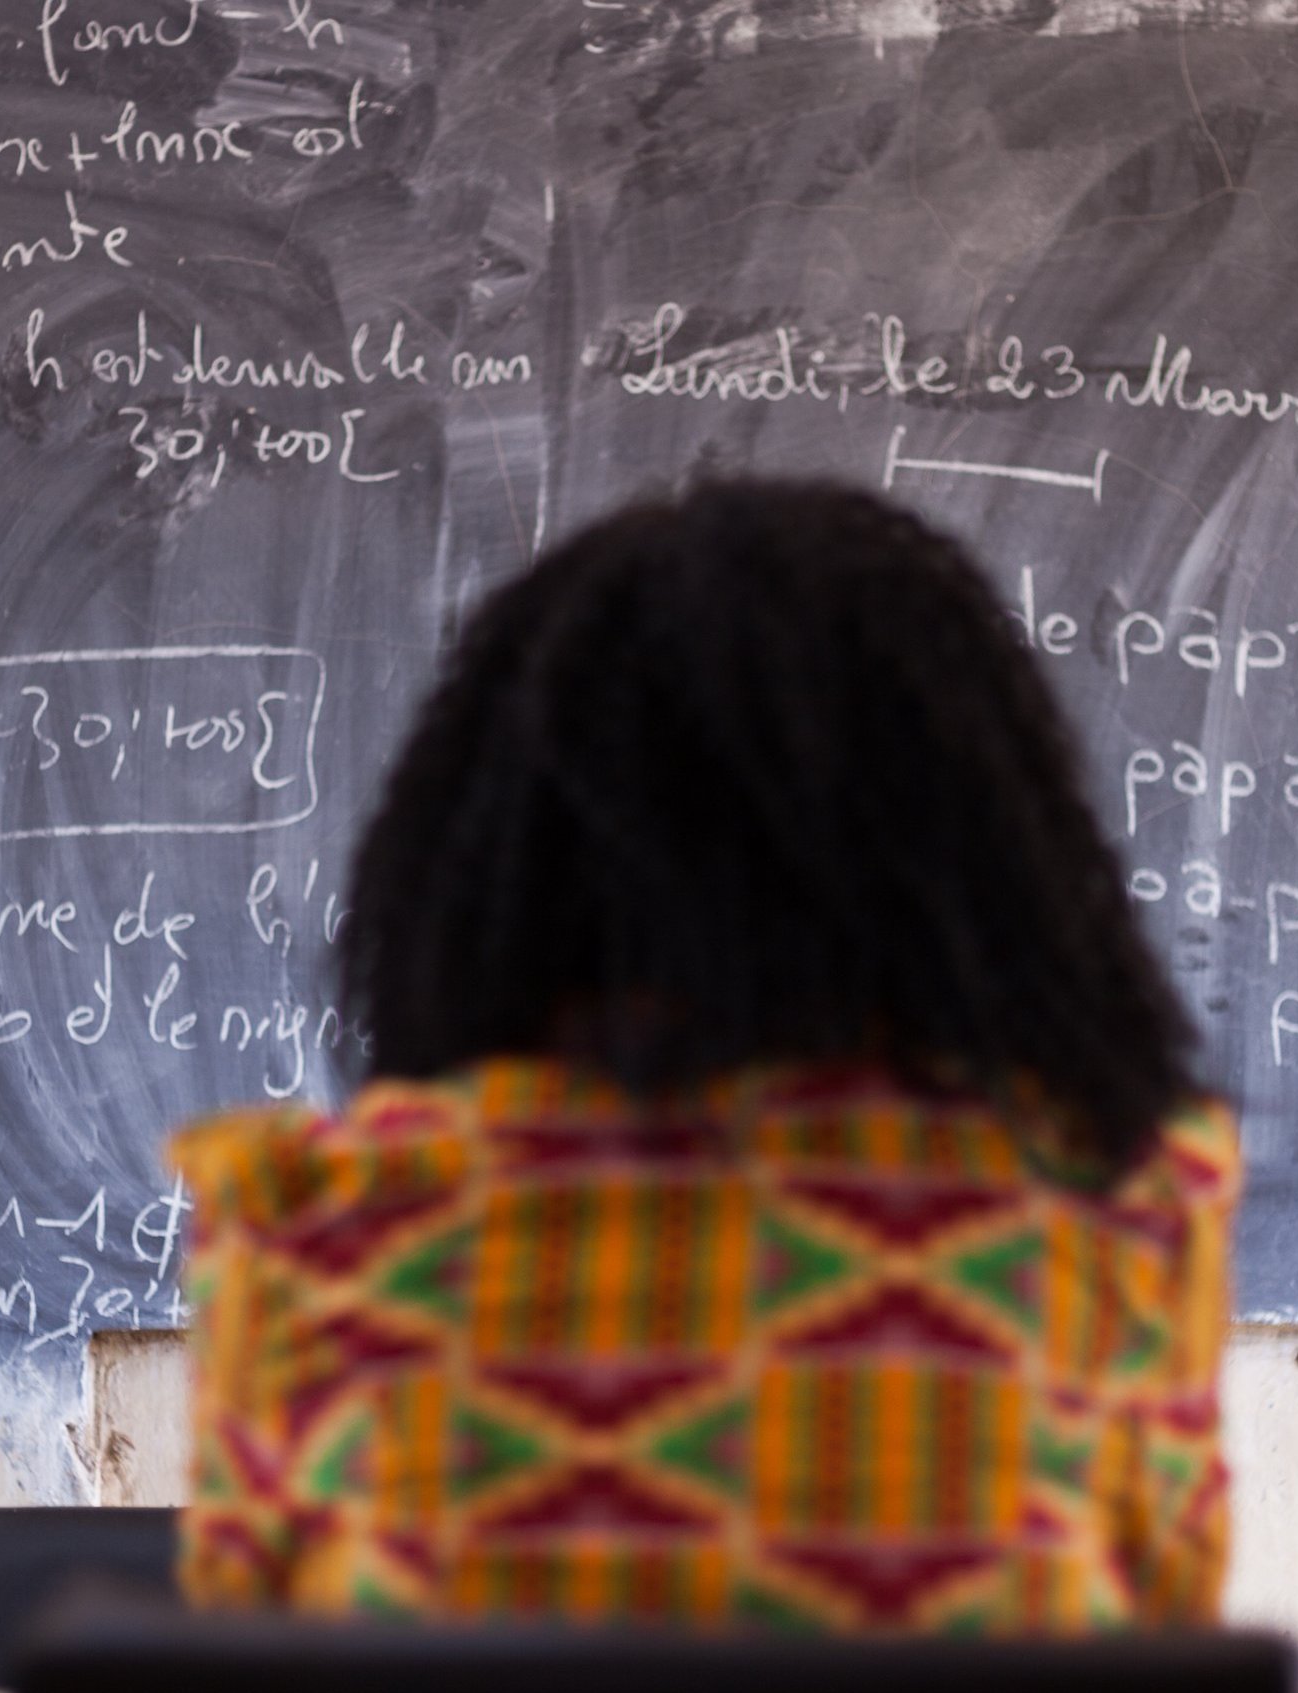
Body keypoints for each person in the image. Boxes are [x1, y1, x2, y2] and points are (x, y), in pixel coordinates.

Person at [171, 480, 1238, 1632]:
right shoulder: (1124, 1231)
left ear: (475, 864)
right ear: (993, 869)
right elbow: (1157, 1661)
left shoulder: (309, 1243)